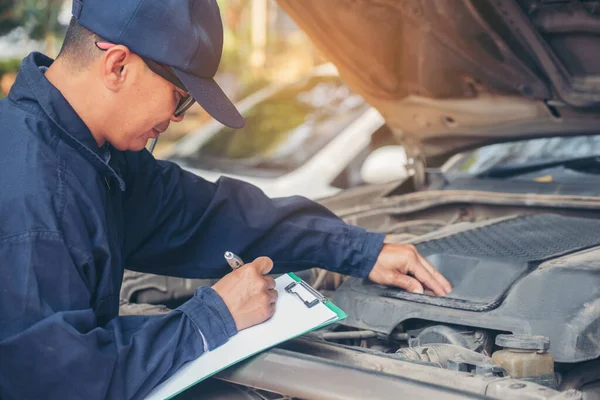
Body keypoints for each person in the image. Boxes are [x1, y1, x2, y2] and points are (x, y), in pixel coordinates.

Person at [0, 1, 452, 399]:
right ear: (117, 66)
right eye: (180, 100)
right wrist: (208, 320)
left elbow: (206, 215)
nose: (175, 121)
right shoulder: (34, 196)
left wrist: (359, 249)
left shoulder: (90, 154)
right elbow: (51, 382)